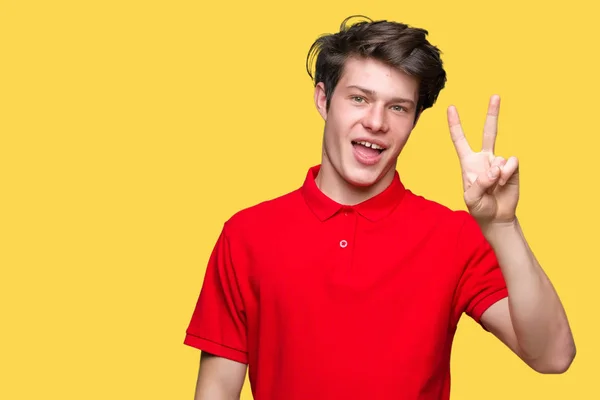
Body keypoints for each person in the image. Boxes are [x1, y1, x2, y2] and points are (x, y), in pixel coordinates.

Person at [184, 15, 576, 400]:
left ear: (414, 121)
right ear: (324, 99)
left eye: (398, 108)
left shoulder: (453, 236)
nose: (375, 122)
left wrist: (504, 226)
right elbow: (217, 389)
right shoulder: (248, 233)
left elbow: (553, 356)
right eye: (359, 98)